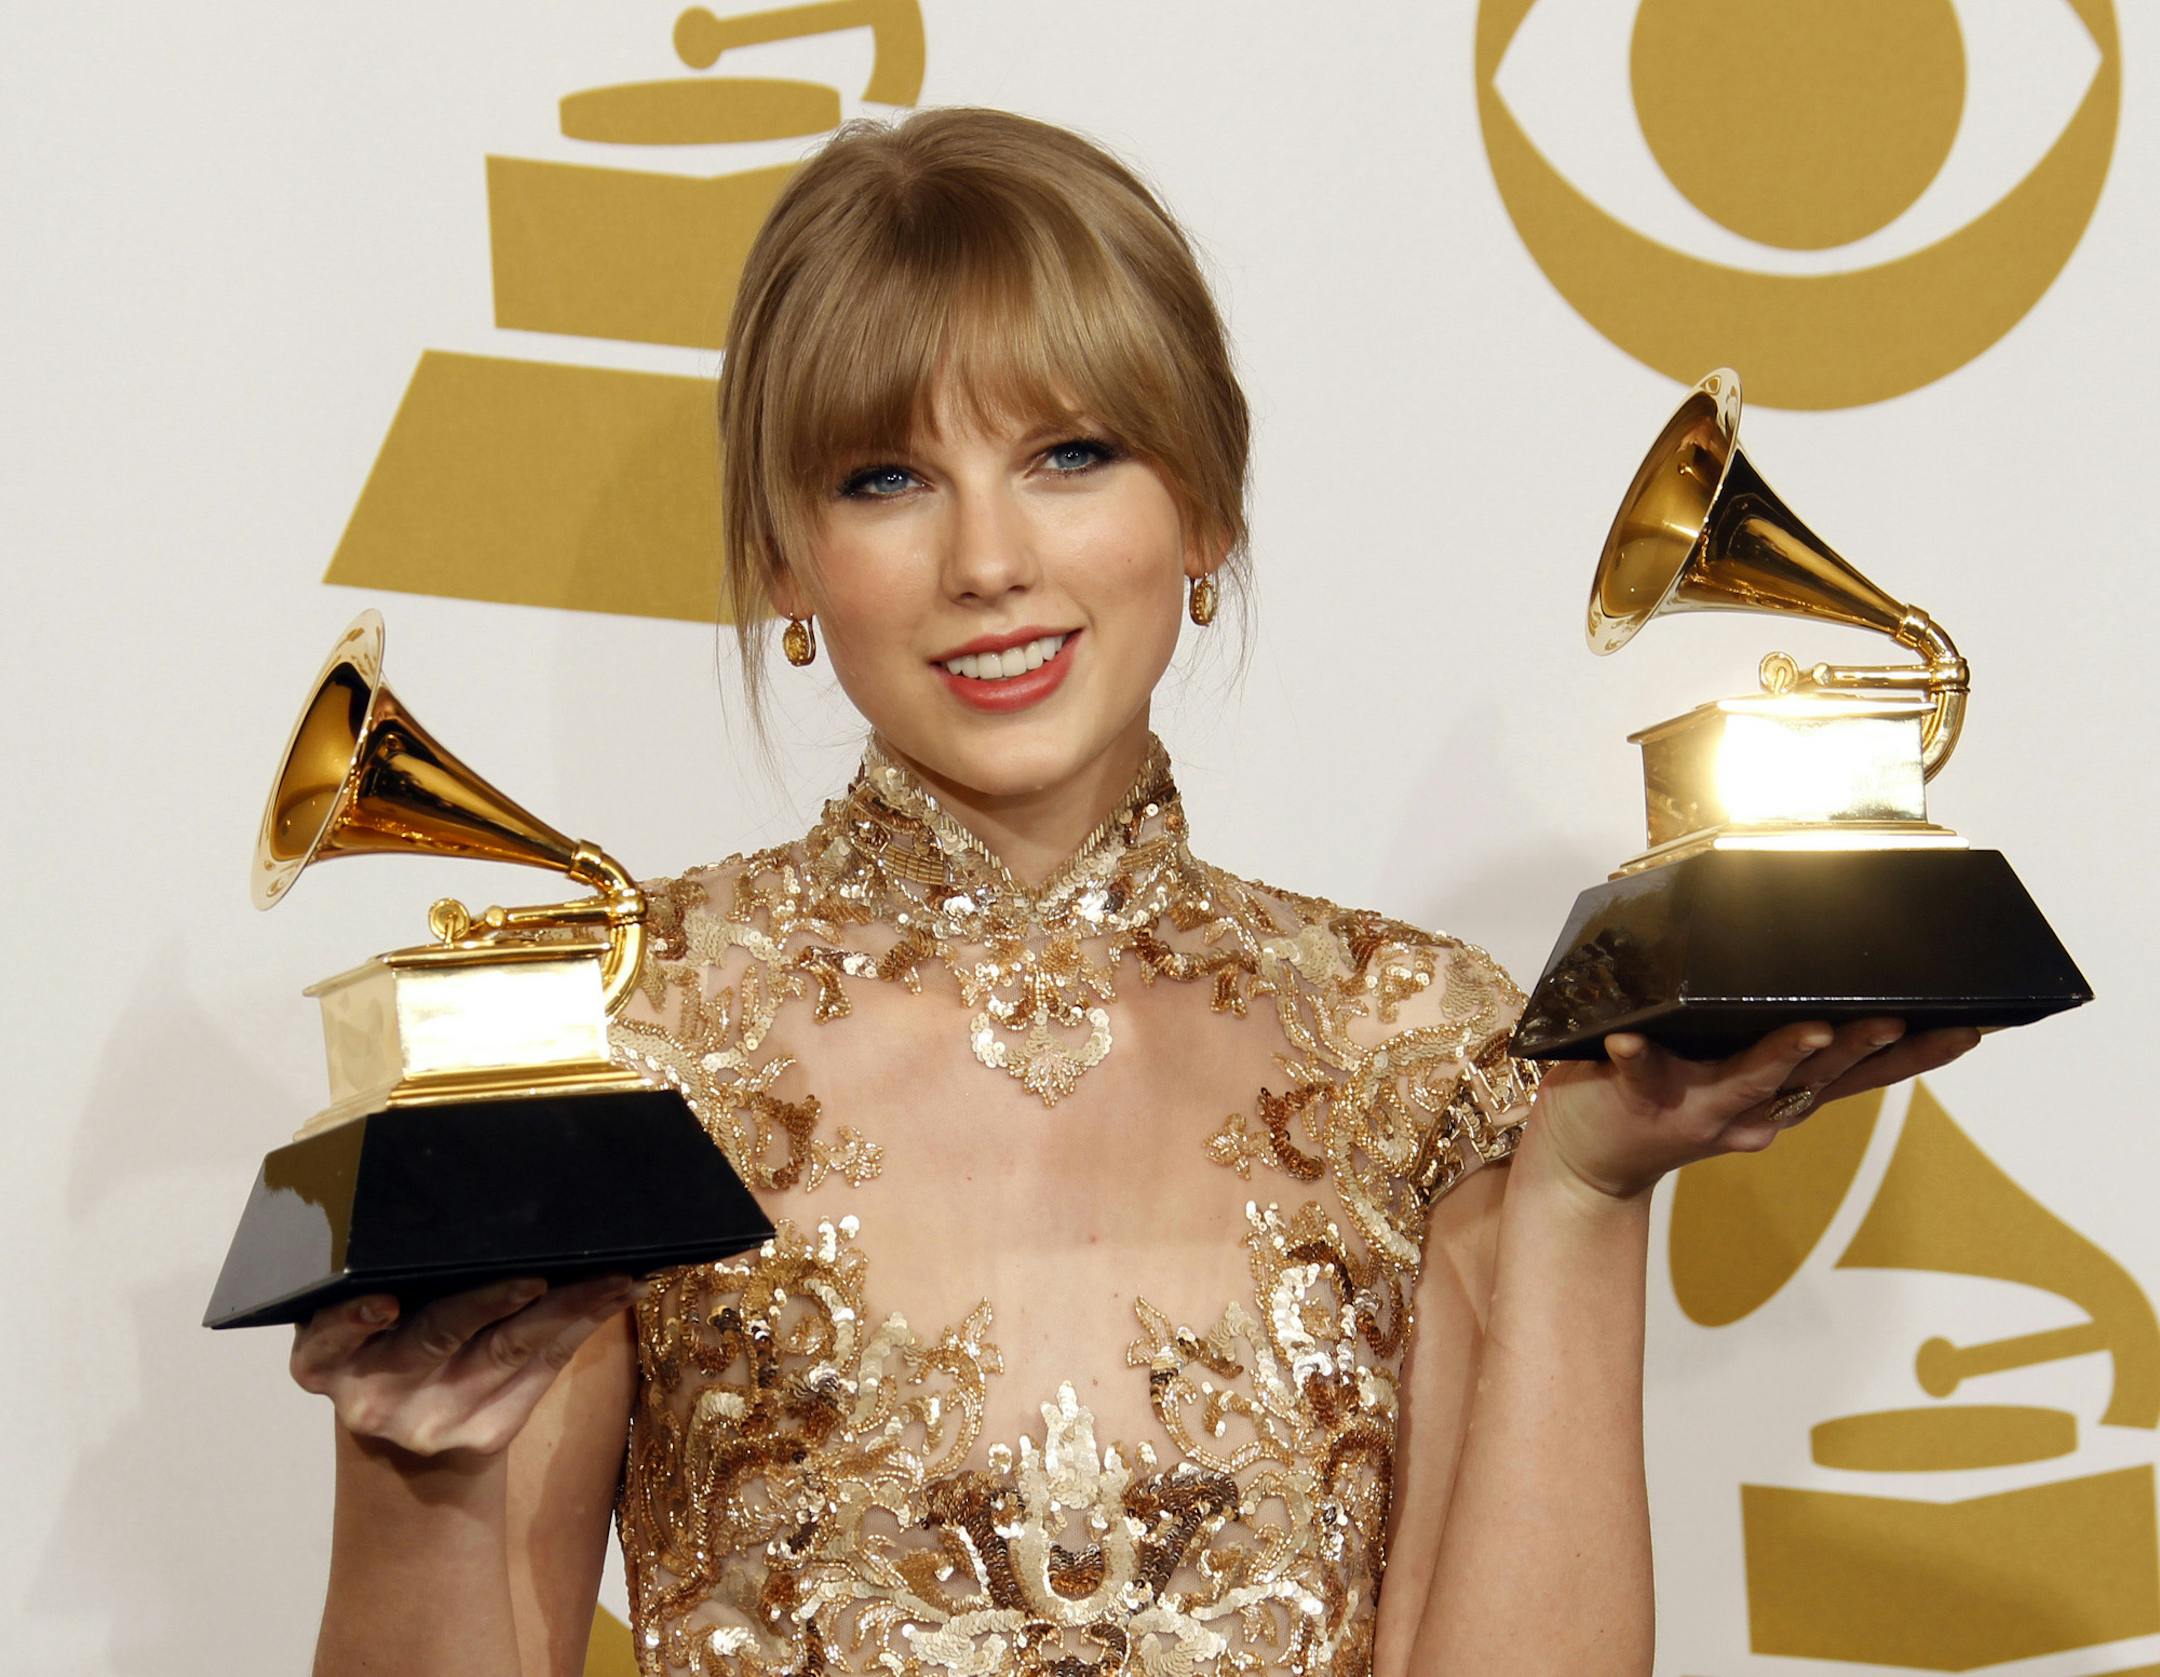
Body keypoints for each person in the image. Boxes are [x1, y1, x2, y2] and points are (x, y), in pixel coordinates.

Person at [287, 107, 1978, 1677]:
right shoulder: (622, 1036)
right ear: (782, 561)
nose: (988, 560)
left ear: (1207, 508)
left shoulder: (1421, 1042)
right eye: (886, 478)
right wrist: (400, 1465)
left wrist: (1587, 1195)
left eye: (1071, 453)